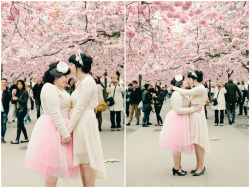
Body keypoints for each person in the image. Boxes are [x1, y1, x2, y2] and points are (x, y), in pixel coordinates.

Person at [24, 61, 79, 186]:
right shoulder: (49, 87)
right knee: (52, 171)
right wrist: (65, 134)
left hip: (62, 127)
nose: (67, 79)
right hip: (55, 129)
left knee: (56, 170)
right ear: (56, 76)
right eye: (65, 76)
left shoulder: (58, 88)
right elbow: (55, 113)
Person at [67, 53, 106, 186]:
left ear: (78, 66)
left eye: (71, 64)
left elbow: (80, 108)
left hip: (84, 122)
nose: (69, 67)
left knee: (86, 163)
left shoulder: (88, 81)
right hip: (79, 122)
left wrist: (68, 130)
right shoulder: (80, 82)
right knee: (82, 164)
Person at [160, 75, 202, 176]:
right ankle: (176, 167)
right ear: (180, 84)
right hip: (178, 120)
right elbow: (178, 110)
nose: (186, 81)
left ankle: (178, 167)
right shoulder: (177, 94)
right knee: (176, 146)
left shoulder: (182, 92)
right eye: (184, 81)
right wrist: (193, 109)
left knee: (178, 146)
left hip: (184, 119)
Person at [172, 70, 210, 176]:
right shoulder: (196, 88)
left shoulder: (200, 88)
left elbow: (186, 93)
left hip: (197, 115)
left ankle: (201, 166)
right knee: (195, 143)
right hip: (193, 115)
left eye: (189, 79)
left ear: (194, 78)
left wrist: (173, 87)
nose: (188, 81)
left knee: (199, 142)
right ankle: (198, 165)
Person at [10, 80, 29, 144]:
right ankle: (26, 138)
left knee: (19, 124)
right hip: (18, 110)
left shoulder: (25, 92)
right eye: (18, 84)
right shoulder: (18, 92)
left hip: (23, 110)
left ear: (23, 85)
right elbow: (13, 102)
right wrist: (13, 97)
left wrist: (17, 99)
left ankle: (17, 139)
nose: (19, 85)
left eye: (20, 84)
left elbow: (24, 102)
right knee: (21, 124)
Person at [1, 78, 11, 143]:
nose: (4, 83)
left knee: (3, 125)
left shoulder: (7, 91)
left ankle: (2, 137)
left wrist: (5, 91)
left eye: (5, 82)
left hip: (4, 110)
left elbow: (9, 99)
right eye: (2, 82)